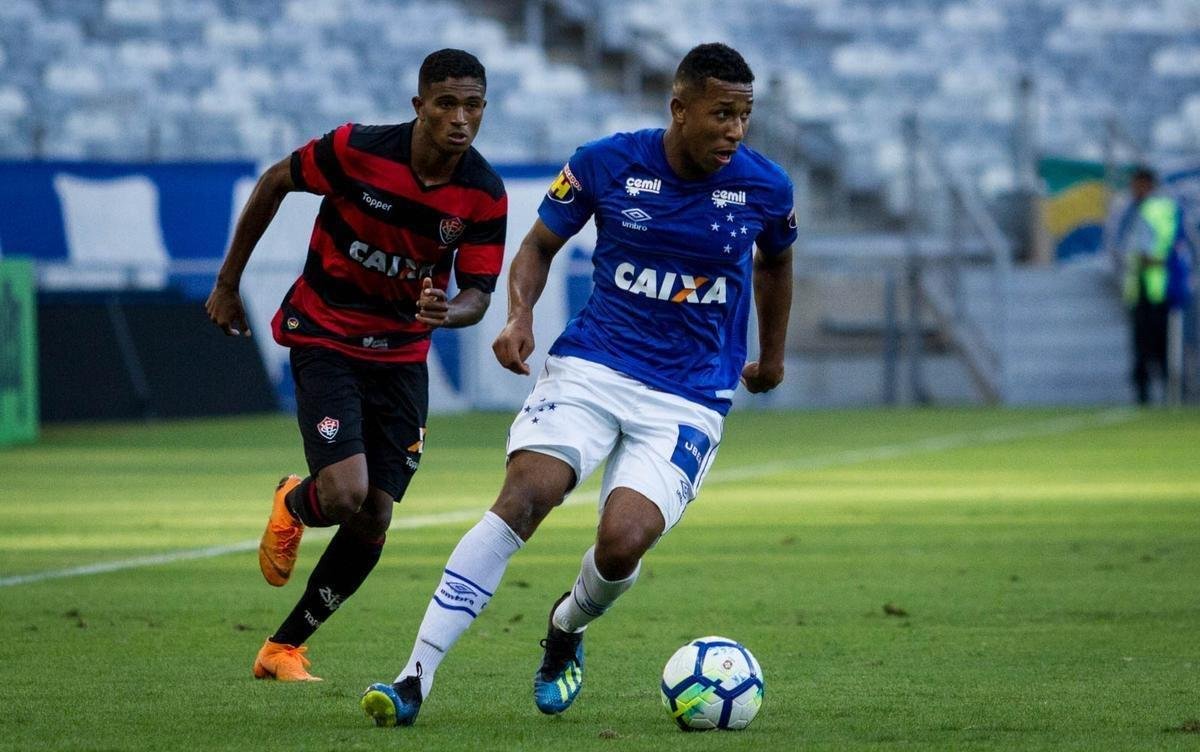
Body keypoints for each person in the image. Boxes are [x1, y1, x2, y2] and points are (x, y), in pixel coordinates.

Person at [361, 42, 795, 726]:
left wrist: (770, 358)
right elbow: (536, 246)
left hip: (689, 394)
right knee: (526, 496)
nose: (735, 131)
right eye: (722, 115)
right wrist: (519, 316)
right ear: (680, 109)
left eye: (744, 115)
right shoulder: (605, 162)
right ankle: (414, 675)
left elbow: (775, 264)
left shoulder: (766, 187)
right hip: (594, 365)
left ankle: (565, 630)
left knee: (622, 543)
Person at [204, 48, 507, 682]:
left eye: (472, 104)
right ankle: (295, 500)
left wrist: (445, 312)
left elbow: (477, 295)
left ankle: (281, 649)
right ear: (418, 105)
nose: (460, 118)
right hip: (327, 334)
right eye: (446, 103)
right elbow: (274, 182)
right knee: (344, 494)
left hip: (401, 357)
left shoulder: (482, 193)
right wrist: (228, 282)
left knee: (375, 513)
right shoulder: (357, 149)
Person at [1115, 166, 1189, 404]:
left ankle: (1172, 393)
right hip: (1140, 288)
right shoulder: (1132, 210)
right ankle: (1143, 395)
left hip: (1160, 288)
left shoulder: (1160, 209)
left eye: (1138, 184)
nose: (1134, 189)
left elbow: (1169, 245)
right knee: (1141, 346)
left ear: (1148, 184)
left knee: (1162, 346)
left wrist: (1154, 260)